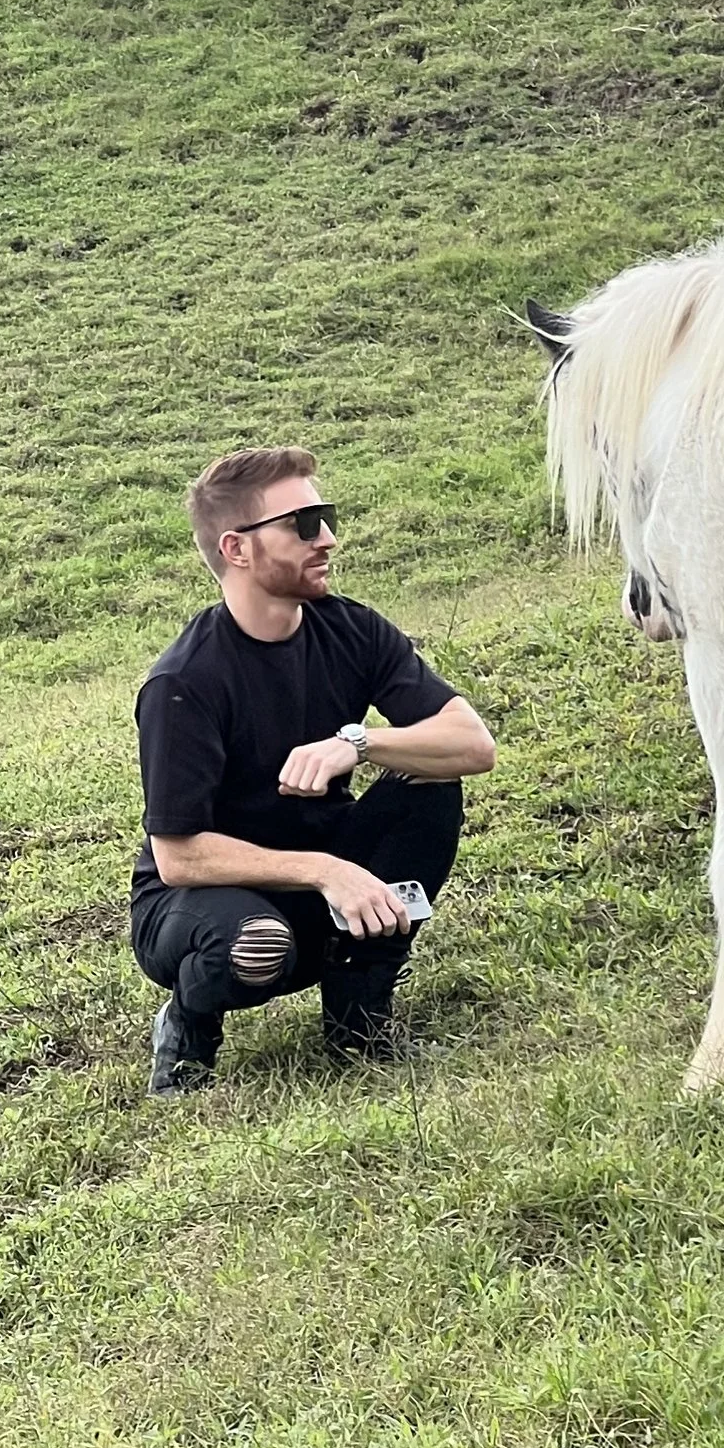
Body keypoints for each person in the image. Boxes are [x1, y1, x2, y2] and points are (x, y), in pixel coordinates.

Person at [131, 447, 495, 1096]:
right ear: (237, 549)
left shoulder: (351, 630)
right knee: (255, 944)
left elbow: (473, 744)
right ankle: (188, 1025)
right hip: (201, 903)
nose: (327, 536)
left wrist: (361, 743)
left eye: (325, 517)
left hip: (327, 877)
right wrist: (327, 871)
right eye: (303, 522)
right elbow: (179, 857)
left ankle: (359, 1016)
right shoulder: (184, 681)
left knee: (429, 775)